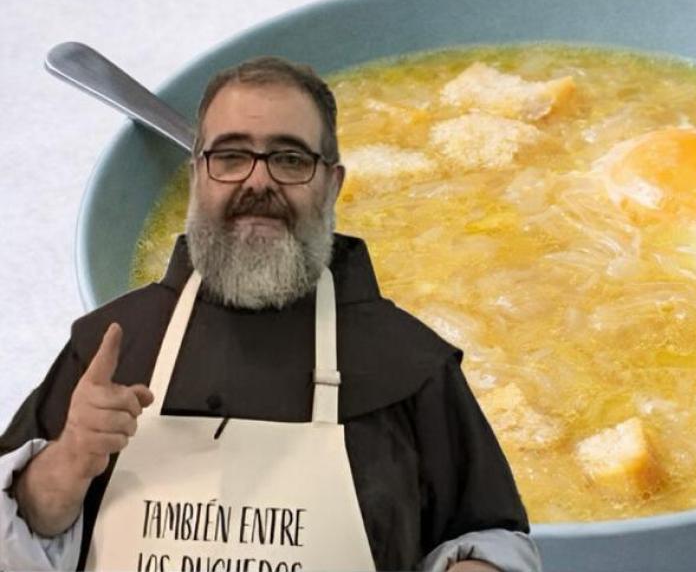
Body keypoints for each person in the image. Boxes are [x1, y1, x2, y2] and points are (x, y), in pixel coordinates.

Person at [0, 57, 540, 572]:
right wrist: (70, 459)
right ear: (197, 176)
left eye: (290, 160)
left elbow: (490, 537)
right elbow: (19, 537)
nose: (258, 182)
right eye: (231, 156)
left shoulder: (411, 365)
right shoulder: (113, 348)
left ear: (332, 185)